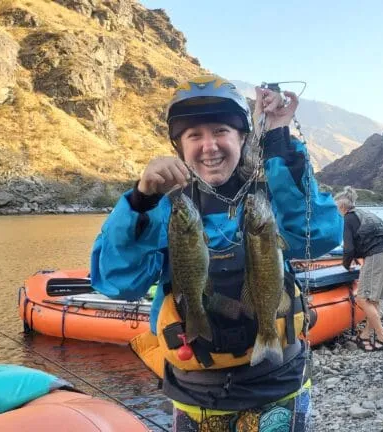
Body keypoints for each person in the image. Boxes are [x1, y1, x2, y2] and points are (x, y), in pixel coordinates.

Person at [90, 75, 342, 431]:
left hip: (278, 385)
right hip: (197, 397)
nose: (209, 146)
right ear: (178, 147)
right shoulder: (163, 208)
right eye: (194, 135)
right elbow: (118, 284)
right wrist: (140, 201)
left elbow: (318, 236)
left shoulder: (268, 194)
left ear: (242, 136)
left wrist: (279, 140)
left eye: (221, 130)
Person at [334, 186, 383, 352]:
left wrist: (346, 265)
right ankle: (365, 335)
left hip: (375, 257)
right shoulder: (365, 214)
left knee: (363, 300)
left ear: (341, 207)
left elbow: (349, 248)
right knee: (373, 300)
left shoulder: (348, 218)